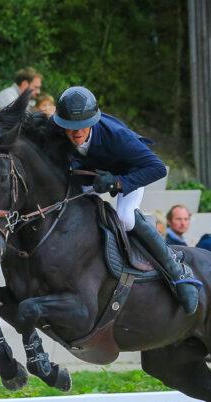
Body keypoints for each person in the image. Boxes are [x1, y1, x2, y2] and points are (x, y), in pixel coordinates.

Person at [51, 85, 198, 315]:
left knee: (125, 218)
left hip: (128, 172)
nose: (76, 132)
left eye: (82, 126)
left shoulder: (117, 137)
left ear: (93, 120)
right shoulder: (57, 129)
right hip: (89, 174)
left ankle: (177, 271)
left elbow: (157, 168)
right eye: (70, 128)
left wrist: (117, 183)